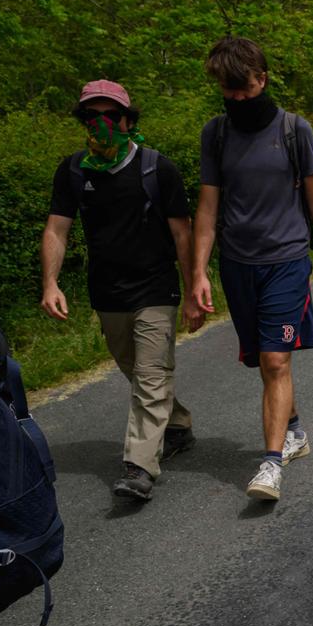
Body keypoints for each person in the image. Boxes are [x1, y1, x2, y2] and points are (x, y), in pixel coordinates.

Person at [188, 37, 313, 503]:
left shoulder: (294, 130)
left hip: (287, 261)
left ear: (263, 79)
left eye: (244, 88)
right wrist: (197, 274)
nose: (237, 98)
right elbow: (207, 208)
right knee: (263, 358)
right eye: (227, 90)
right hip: (238, 264)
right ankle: (293, 429)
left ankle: (271, 464)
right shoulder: (215, 134)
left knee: (277, 359)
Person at [40, 79, 197, 501]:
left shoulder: (156, 168)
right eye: (92, 117)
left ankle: (139, 468)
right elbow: (57, 227)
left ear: (128, 121)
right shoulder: (73, 170)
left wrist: (193, 285)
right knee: (138, 371)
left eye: (110, 116)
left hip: (156, 291)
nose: (101, 124)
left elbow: (183, 234)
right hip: (107, 294)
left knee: (148, 376)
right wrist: (50, 283)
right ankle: (177, 423)